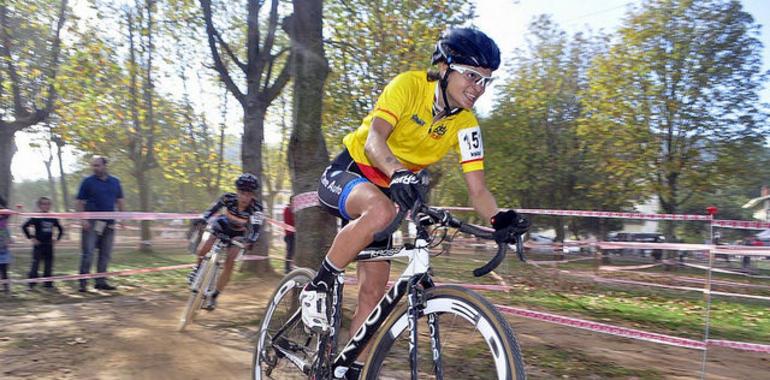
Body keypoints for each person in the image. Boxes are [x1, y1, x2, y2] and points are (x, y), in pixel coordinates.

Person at [301, 27, 528, 373]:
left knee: (373, 293)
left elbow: (478, 191)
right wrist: (397, 172)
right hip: (350, 173)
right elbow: (376, 139)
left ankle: (346, 370)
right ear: (445, 67)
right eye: (471, 76)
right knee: (382, 209)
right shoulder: (408, 85)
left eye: (486, 81)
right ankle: (317, 287)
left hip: (391, 191)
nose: (478, 88)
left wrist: (500, 219)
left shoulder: (466, 124)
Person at [188, 173, 264, 310]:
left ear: (253, 195)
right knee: (207, 242)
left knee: (231, 262)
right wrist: (203, 218)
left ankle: (214, 296)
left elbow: (256, 228)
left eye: (249, 194)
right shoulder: (228, 198)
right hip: (222, 225)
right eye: (242, 193)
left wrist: (251, 240)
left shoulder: (257, 208)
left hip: (238, 233)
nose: (245, 197)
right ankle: (197, 269)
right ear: (237, 191)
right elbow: (211, 210)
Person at [76, 156, 125, 292]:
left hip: (109, 223)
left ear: (105, 166)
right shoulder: (87, 181)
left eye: (97, 165)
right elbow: (79, 201)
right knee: (88, 253)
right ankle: (83, 283)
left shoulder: (115, 182)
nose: (95, 168)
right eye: (93, 166)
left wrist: (122, 218)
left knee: (105, 253)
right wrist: (83, 219)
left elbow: (120, 200)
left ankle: (101, 281)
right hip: (91, 223)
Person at [22, 196, 63, 289]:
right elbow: (24, 226)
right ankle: (31, 284)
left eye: (48, 204)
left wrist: (57, 239)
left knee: (48, 265)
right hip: (38, 245)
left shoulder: (53, 217)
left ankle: (48, 284)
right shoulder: (36, 216)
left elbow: (61, 229)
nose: (46, 206)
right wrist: (31, 238)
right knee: (35, 264)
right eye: (44, 204)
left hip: (49, 245)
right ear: (39, 205)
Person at [0, 196, 12, 294]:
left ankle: (6, 288)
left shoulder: (4, 214)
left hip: (3, 246)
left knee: (4, 269)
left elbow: (9, 213)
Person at [283, 196, 295, 274]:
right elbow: (289, 221)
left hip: (295, 234)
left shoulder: (295, 210)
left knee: (293, 251)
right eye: (293, 201)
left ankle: (291, 267)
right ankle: (287, 268)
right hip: (289, 235)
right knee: (289, 251)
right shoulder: (287, 210)